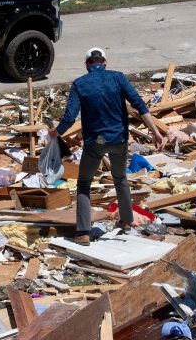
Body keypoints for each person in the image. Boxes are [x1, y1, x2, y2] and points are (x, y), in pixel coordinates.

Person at [49, 47, 165, 245]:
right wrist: (155, 132)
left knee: (84, 184)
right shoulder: (118, 78)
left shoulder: (79, 84)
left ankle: (84, 232)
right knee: (120, 179)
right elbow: (138, 103)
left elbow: (69, 117)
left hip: (97, 142)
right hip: (119, 140)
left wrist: (55, 133)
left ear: (87, 65)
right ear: (105, 62)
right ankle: (126, 221)